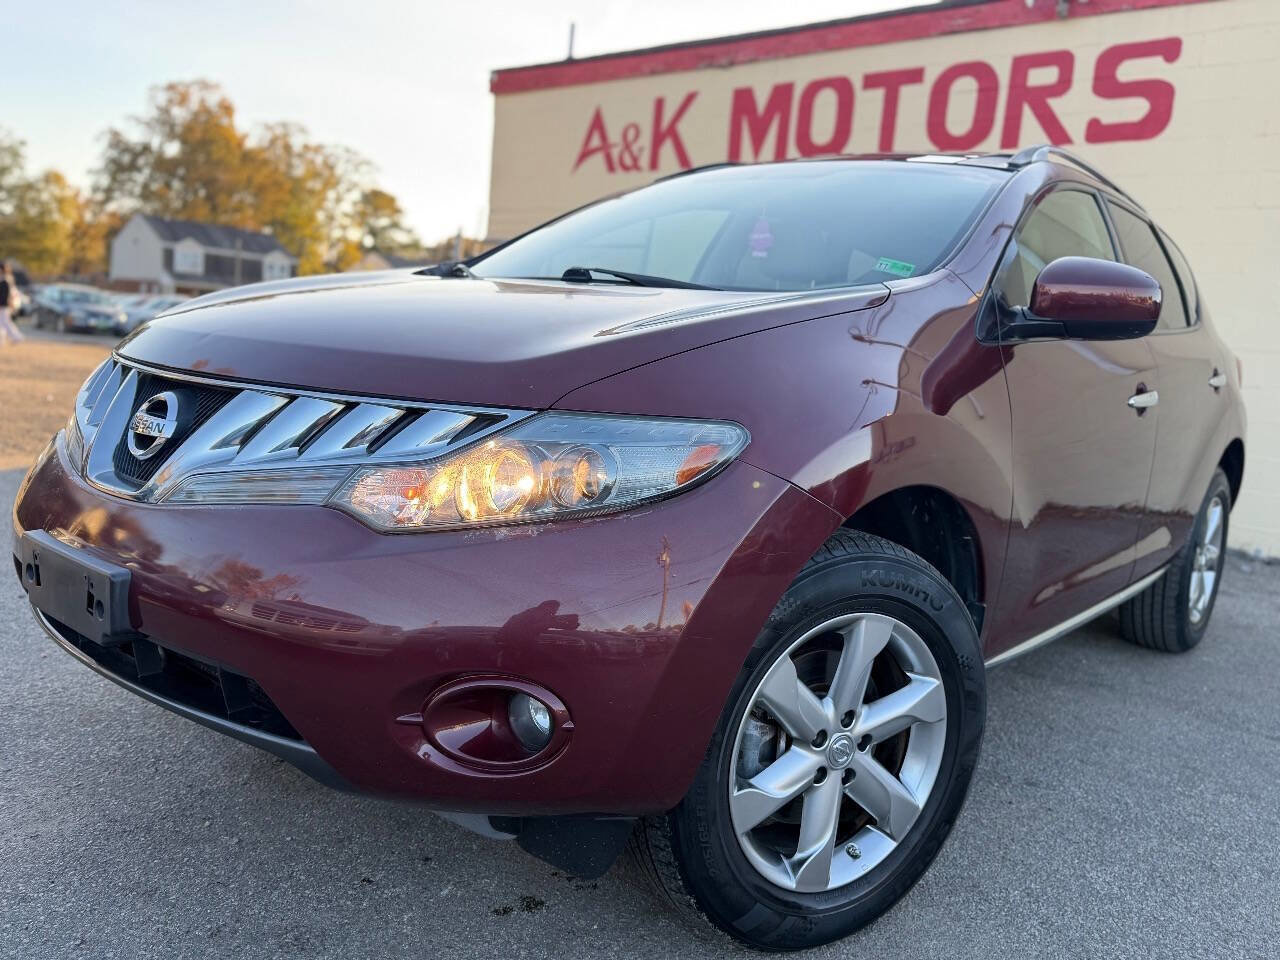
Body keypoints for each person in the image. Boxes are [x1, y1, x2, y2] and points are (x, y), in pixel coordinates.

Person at [0, 260, 23, 344]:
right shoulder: (4, 279)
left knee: (5, 322)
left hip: (4, 305)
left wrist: (9, 304)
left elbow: (7, 294)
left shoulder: (6, 280)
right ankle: (2, 340)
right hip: (3, 304)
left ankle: (17, 337)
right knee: (2, 323)